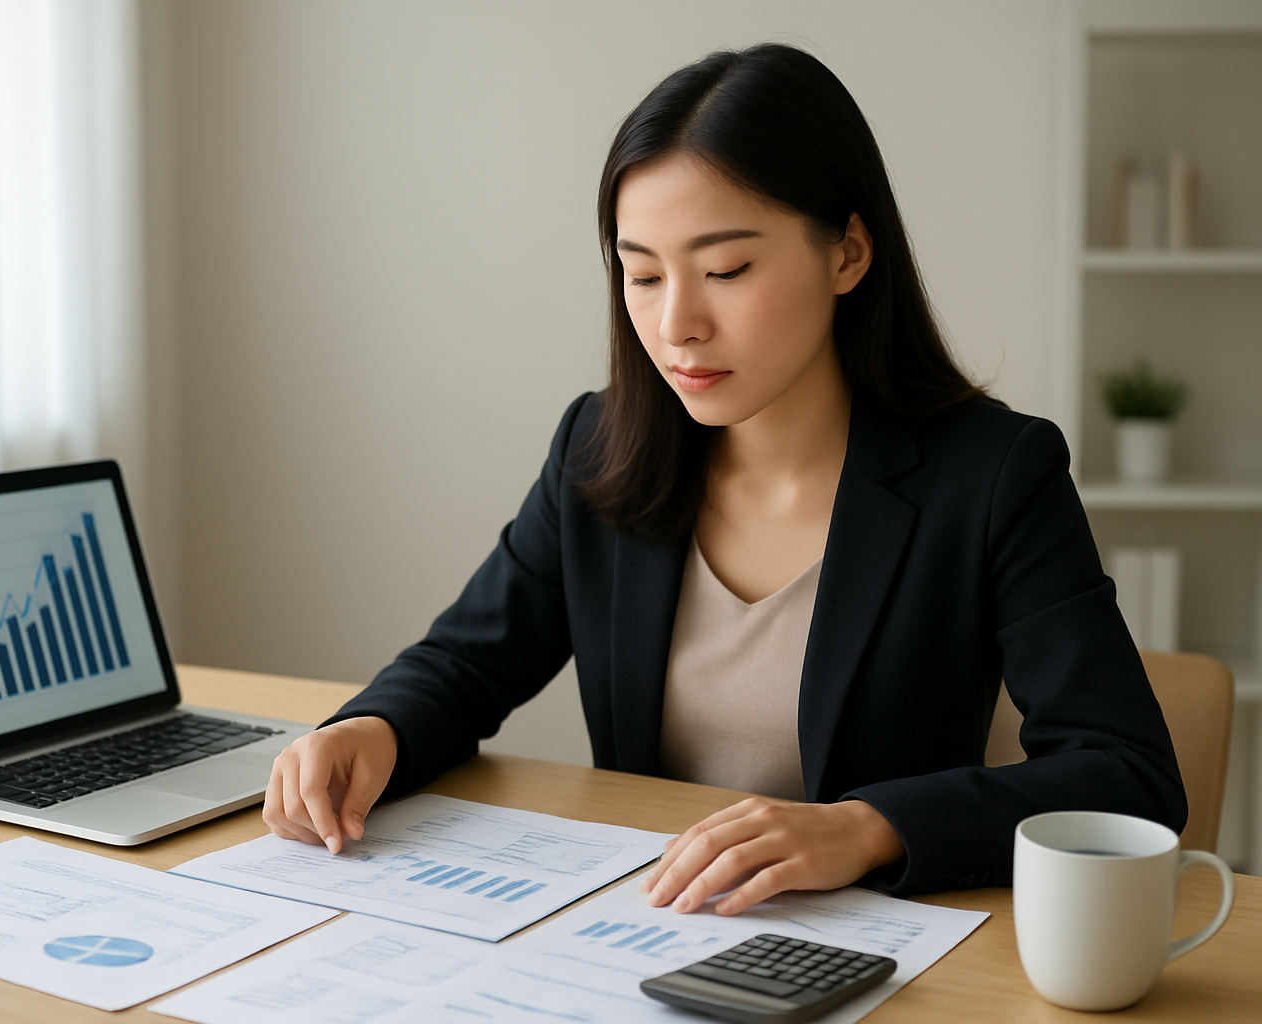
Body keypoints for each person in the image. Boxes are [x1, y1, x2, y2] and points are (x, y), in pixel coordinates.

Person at [261, 43, 1185, 915]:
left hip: (879, 946)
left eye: (726, 269)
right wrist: (370, 730)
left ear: (847, 254)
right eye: (643, 276)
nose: (677, 326)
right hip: (653, 926)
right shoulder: (599, 446)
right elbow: (466, 664)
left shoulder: (992, 474)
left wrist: (866, 827)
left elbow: (1127, 773)